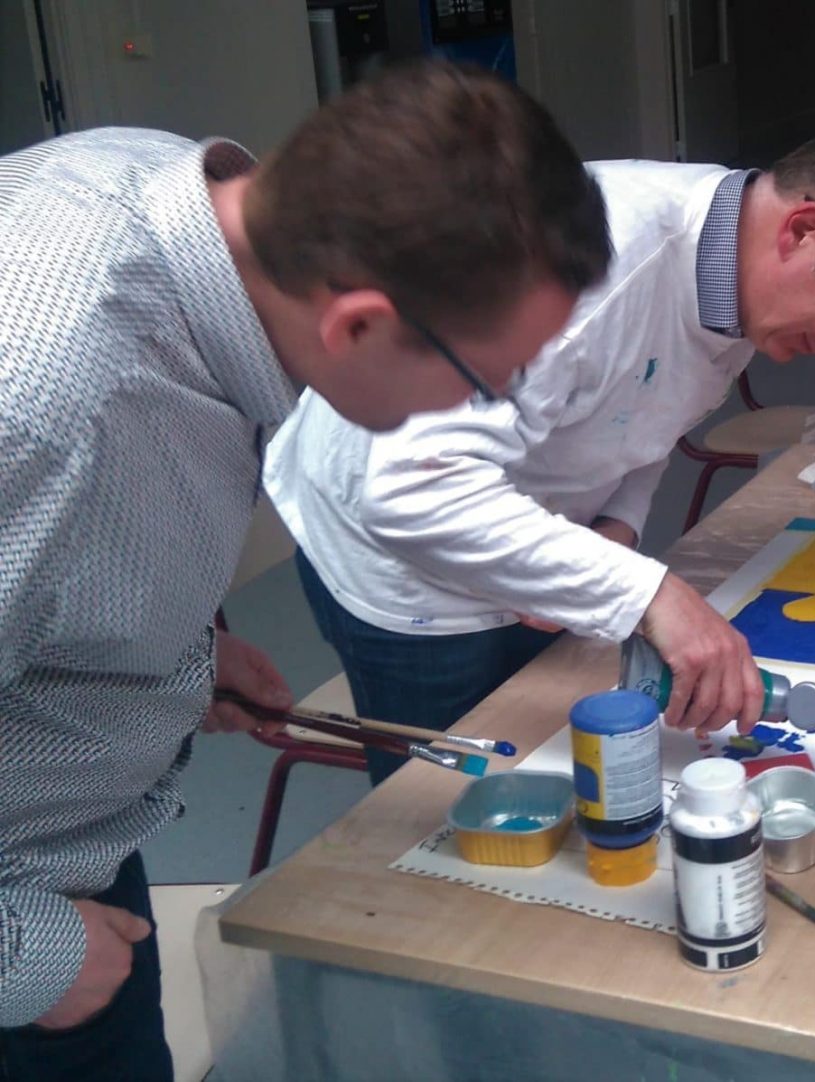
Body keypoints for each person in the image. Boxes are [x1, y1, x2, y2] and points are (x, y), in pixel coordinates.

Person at [0, 61, 610, 1080]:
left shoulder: (169, 199)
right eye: (485, 383)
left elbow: (62, 558)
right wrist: (31, 957)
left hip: (69, 827)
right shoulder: (46, 410)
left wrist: (176, 658)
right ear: (358, 324)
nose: (497, 416)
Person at [263, 128, 815, 784]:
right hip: (402, 557)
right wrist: (651, 592)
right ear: (803, 229)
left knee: (562, 775)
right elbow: (409, 488)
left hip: (518, 518)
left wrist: (619, 525)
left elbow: (647, 401)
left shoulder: (741, 274)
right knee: (457, 814)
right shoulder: (567, 270)